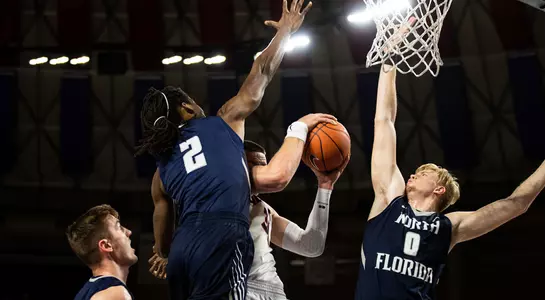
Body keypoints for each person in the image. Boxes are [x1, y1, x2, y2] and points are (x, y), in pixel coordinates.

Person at [136, 1, 325, 299]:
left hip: (184, 246)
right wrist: (286, 31)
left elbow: (162, 218)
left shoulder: (162, 165)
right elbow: (261, 70)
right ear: (187, 107)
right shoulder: (224, 120)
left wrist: (162, 252)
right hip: (222, 234)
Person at [354, 24, 545, 299]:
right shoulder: (388, 200)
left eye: (423, 173)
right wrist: (390, 60)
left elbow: (517, 203)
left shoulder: (450, 227)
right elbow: (384, 122)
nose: (413, 175)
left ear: (439, 189)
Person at [244, 140, 349, 300]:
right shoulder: (212, 194)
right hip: (232, 286)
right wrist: (299, 129)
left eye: (263, 167)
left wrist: (325, 187)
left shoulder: (263, 208)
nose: (261, 172)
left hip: (271, 289)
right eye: (253, 166)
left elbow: (311, 246)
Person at [66, 204, 137, 300]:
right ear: (106, 245)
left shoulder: (89, 291)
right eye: (119, 227)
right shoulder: (114, 294)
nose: (129, 232)